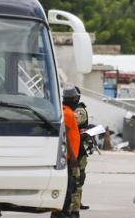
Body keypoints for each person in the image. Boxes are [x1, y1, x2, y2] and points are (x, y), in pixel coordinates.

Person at [51, 86, 81, 218]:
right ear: (73, 98)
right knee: (68, 187)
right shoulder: (68, 113)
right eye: (76, 98)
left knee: (68, 186)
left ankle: (61, 213)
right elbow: (65, 136)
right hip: (69, 157)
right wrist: (73, 157)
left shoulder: (62, 110)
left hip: (66, 156)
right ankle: (60, 213)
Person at [70, 87, 91, 217]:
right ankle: (74, 204)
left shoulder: (79, 110)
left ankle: (76, 204)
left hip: (79, 150)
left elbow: (75, 120)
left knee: (78, 178)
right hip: (72, 148)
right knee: (75, 179)